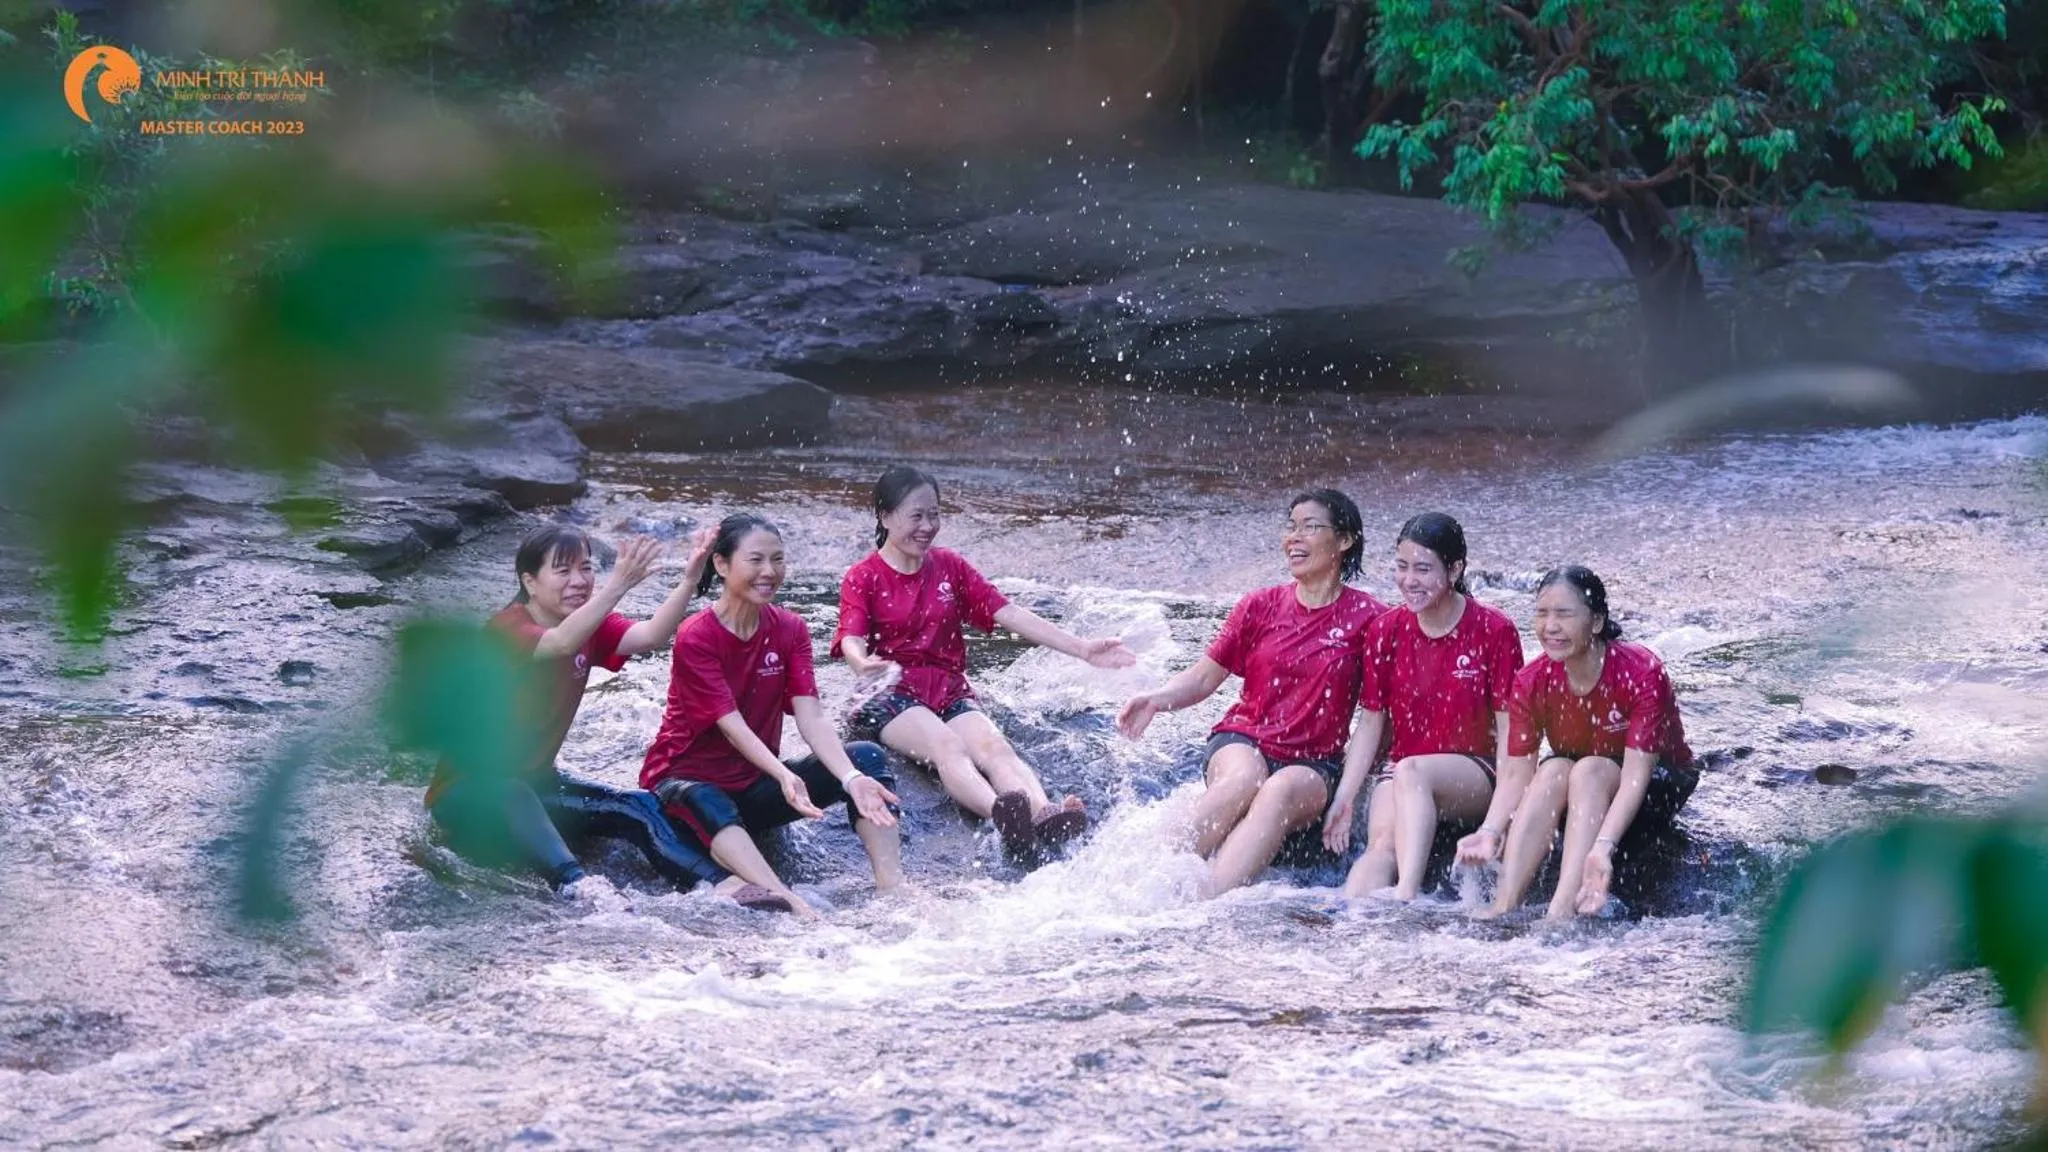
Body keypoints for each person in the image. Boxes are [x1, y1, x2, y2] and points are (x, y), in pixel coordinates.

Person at [424, 523, 789, 911]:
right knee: (509, 791)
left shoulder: (589, 624)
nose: (579, 581)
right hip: (470, 792)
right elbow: (560, 642)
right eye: (563, 571)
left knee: (639, 806)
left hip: (537, 785)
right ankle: (576, 884)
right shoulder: (507, 628)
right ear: (530, 582)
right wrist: (618, 585)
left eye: (585, 568)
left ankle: (722, 885)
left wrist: (689, 579)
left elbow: (649, 637)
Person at [834, 466, 1135, 861]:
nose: (928, 526)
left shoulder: (949, 567)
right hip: (891, 691)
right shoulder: (863, 577)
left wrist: (1081, 648)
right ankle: (1004, 816)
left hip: (947, 688)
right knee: (948, 746)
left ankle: (1043, 814)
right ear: (885, 516)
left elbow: (1007, 613)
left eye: (935, 515)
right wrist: (861, 662)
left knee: (995, 748)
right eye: (916, 516)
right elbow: (850, 636)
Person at [1117, 489, 1387, 897]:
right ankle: (1136, 884)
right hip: (1243, 740)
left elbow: (1374, 717)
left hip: (1315, 764)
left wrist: (1348, 796)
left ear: (1345, 540)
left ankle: (1206, 904)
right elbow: (1205, 678)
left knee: (1277, 790)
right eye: (1290, 526)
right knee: (1246, 778)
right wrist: (1156, 699)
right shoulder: (1259, 606)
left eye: (1310, 527)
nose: (1294, 538)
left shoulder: (1371, 620)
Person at [642, 513, 905, 919]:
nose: (770, 572)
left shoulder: (790, 629)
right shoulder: (696, 635)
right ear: (722, 564)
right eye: (756, 560)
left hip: (751, 788)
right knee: (707, 796)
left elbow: (811, 716)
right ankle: (786, 898)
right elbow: (732, 728)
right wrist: (782, 774)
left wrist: (849, 778)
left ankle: (893, 890)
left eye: (778, 560)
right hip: (682, 787)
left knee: (865, 758)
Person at [1455, 566, 1698, 918]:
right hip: (1582, 778)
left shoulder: (1641, 671)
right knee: (1553, 769)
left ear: (1596, 621)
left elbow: (1634, 777)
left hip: (1657, 782)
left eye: (1564, 614)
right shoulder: (1531, 680)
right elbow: (1518, 773)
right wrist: (1491, 829)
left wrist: (1603, 849)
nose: (1550, 626)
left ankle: (1561, 911)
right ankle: (1504, 903)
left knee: (1589, 770)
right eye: (1541, 613)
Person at [1326, 512, 1525, 901]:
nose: (1409, 580)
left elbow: (1509, 730)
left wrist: (1502, 814)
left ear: (1454, 570)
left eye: (1422, 568)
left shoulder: (1494, 630)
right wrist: (1344, 798)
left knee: (1411, 771)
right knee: (1381, 843)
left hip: (1472, 771)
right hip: (1401, 768)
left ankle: (1406, 895)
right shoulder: (1385, 630)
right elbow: (1370, 723)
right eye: (1401, 567)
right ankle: (1348, 922)